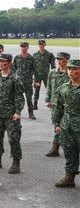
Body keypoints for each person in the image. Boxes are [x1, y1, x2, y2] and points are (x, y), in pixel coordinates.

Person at [0, 53, 24, 174]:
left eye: (3, 62)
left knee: (13, 139)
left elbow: (19, 97)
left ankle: (16, 163)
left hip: (11, 115)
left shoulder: (15, 78)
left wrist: (18, 112)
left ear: (9, 63)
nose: (0, 64)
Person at [53, 59, 80, 188]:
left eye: (74, 69)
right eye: (69, 69)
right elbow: (58, 108)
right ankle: (69, 178)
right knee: (69, 152)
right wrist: (57, 124)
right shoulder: (63, 88)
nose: (71, 72)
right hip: (67, 126)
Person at [45, 52, 71, 157]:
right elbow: (49, 87)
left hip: (68, 103)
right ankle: (55, 148)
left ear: (67, 60)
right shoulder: (53, 72)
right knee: (56, 124)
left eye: (62, 59)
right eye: (58, 60)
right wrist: (48, 100)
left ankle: (68, 148)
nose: (60, 61)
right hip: (55, 103)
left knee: (67, 125)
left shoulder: (70, 72)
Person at [13, 42, 37, 119]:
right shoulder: (17, 58)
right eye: (22, 47)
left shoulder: (31, 58)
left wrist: (36, 81)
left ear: (27, 47)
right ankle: (17, 112)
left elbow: (35, 70)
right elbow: (14, 69)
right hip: (18, 82)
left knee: (29, 99)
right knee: (17, 98)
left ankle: (31, 113)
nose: (23, 48)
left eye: (25, 47)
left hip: (28, 82)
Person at [32, 39, 55, 110]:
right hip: (37, 76)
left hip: (46, 76)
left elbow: (53, 65)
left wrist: (54, 73)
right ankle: (35, 105)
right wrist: (32, 74)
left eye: (42, 44)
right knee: (36, 90)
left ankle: (50, 104)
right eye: (39, 44)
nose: (41, 45)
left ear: (45, 45)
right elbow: (33, 65)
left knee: (49, 90)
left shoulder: (49, 54)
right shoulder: (35, 54)